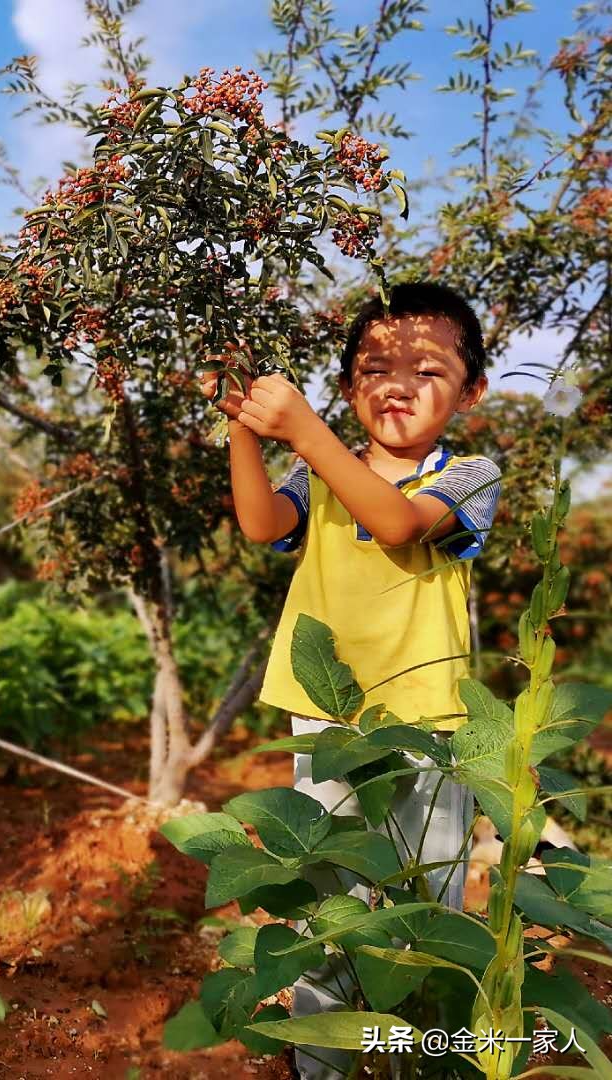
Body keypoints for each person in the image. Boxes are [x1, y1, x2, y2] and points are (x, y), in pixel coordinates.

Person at [202, 281, 502, 1080]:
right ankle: (323, 1063)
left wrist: (304, 433)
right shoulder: (320, 468)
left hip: (428, 727)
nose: (397, 384)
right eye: (375, 367)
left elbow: (397, 522)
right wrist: (244, 430)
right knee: (329, 899)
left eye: (427, 369)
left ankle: (418, 1059)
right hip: (329, 718)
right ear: (348, 387)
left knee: (425, 908)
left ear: (471, 390)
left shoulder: (470, 473)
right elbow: (265, 522)